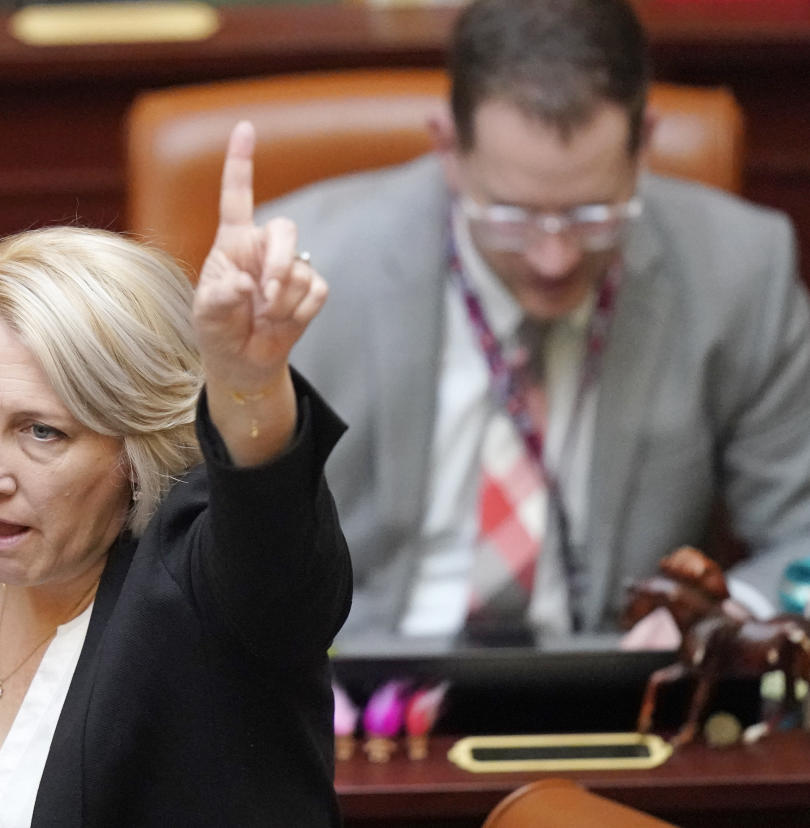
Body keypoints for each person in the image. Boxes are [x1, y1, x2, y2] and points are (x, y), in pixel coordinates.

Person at [0, 122, 352, 826]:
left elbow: (273, 553)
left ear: (135, 445)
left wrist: (247, 386)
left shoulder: (201, 603)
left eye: (41, 431)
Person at [261, 0, 810, 646]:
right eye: (514, 217)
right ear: (449, 149)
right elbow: (212, 541)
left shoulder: (739, 270)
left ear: (644, 147)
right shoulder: (309, 269)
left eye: (592, 215)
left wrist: (719, 619)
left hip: (620, 693)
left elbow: (803, 536)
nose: (556, 259)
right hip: (365, 692)